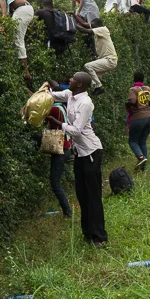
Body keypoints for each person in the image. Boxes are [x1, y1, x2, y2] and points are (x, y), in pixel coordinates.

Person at [47, 72, 107, 248]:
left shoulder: (86, 103)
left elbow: (76, 130)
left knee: (93, 195)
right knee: (82, 194)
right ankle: (87, 233)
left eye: (72, 80)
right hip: (80, 153)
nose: (69, 81)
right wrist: (40, 93)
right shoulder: (70, 96)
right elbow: (51, 95)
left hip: (91, 152)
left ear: (79, 84)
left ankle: (99, 237)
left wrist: (58, 123)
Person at [0, 0, 34, 81]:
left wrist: (3, 15)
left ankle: (26, 72)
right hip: (21, 10)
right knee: (13, 38)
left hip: (22, 10)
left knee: (18, 40)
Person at [74, 18, 118, 96]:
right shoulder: (98, 29)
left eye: (94, 27)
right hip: (106, 59)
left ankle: (99, 87)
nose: (92, 28)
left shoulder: (102, 29)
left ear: (98, 26)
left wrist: (73, 23)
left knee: (87, 66)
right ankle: (92, 90)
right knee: (89, 78)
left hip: (109, 60)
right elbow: (85, 25)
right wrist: (74, 15)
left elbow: (86, 30)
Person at [44, 101, 73, 217]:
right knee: (56, 182)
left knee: (55, 184)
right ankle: (67, 211)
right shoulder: (63, 108)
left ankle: (68, 212)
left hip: (60, 147)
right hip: (65, 146)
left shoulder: (55, 109)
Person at [125, 71, 150, 170]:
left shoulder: (133, 90)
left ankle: (141, 157)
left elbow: (132, 101)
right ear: (143, 79)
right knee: (142, 141)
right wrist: (148, 109)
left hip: (138, 118)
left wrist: (127, 104)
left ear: (134, 79)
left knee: (133, 141)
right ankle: (144, 167)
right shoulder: (148, 89)